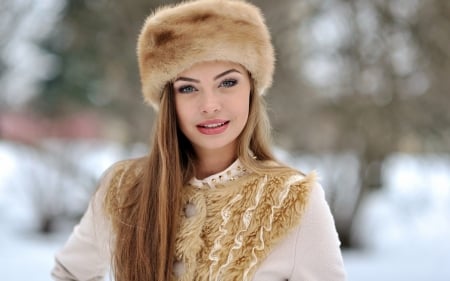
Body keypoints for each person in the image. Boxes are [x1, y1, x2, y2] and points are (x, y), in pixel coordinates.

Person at [51, 0, 347, 280]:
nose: (209, 105)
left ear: (251, 90)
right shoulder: (121, 189)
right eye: (188, 89)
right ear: (169, 101)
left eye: (227, 82)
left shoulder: (293, 201)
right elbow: (70, 273)